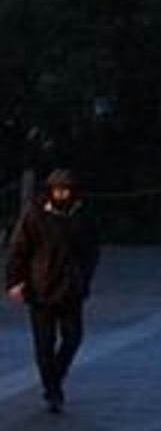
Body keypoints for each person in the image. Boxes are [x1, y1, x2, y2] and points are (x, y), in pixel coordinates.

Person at [6, 169, 101, 415]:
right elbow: (19, 248)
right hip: (41, 288)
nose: (62, 194)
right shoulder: (35, 214)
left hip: (71, 288)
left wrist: (84, 277)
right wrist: (14, 282)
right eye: (58, 189)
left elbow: (92, 249)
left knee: (73, 338)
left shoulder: (82, 215)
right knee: (44, 344)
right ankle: (52, 390)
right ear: (49, 190)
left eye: (67, 190)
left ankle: (56, 377)